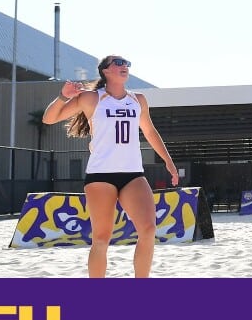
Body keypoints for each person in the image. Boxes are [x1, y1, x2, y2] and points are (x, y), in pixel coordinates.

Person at [42, 55, 179, 277]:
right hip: (100, 175)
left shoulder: (138, 100)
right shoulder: (91, 98)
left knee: (148, 229)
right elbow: (49, 118)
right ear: (105, 71)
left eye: (126, 64)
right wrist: (62, 97)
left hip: (133, 174)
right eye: (118, 63)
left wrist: (169, 162)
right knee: (102, 238)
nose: (124, 67)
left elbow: (150, 131)